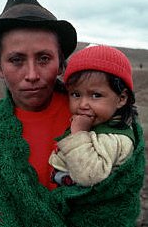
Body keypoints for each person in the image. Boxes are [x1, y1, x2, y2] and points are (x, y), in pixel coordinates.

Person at [0, 0, 77, 227]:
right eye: (16, 60)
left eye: (44, 58)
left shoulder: (100, 118)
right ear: (0, 67)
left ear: (61, 63)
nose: (32, 75)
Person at [49, 46, 145, 226]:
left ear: (121, 99)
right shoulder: (99, 124)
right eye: (76, 94)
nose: (83, 104)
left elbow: (89, 175)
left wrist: (78, 133)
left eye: (96, 95)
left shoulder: (116, 138)